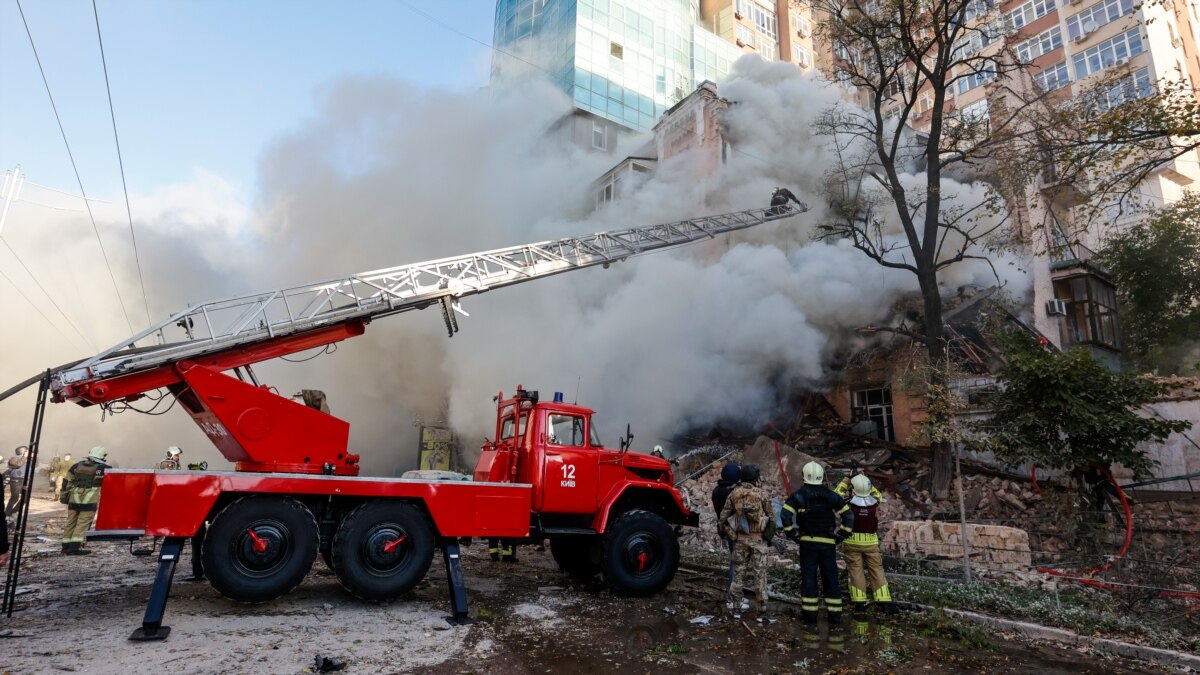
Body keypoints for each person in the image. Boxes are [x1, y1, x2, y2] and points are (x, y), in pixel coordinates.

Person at [782, 461, 854, 624]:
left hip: (807, 543)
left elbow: (785, 515)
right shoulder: (831, 496)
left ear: (804, 477)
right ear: (821, 477)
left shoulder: (799, 495)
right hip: (828, 544)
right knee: (831, 578)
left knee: (809, 578)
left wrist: (792, 534)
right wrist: (842, 535)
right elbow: (848, 516)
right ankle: (835, 616)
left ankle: (810, 616)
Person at [718, 463, 775, 616]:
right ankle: (762, 613)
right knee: (760, 577)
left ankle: (736, 608)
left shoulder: (734, 494)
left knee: (738, 575)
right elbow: (772, 519)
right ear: (755, 478)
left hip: (741, 541)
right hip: (758, 542)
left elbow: (722, 520)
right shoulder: (762, 494)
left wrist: (733, 536)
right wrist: (767, 538)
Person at [841, 473, 897, 614]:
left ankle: (860, 603)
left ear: (853, 489)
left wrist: (847, 480)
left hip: (852, 542)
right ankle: (884, 601)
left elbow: (836, 495)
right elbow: (875, 492)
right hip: (871, 543)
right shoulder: (874, 502)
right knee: (877, 570)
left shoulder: (848, 504)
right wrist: (864, 479)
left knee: (856, 571)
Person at [61, 446, 110, 555]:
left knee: (70, 522)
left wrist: (64, 497)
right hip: (89, 501)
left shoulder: (75, 466)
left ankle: (65, 547)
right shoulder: (104, 469)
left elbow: (66, 482)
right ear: (103, 456)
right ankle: (74, 548)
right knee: (82, 524)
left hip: (74, 499)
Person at [5, 446, 30, 520]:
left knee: (25, 498)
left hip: (24, 480)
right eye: (27, 451)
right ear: (23, 452)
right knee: (14, 498)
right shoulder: (13, 458)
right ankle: (7, 514)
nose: (29, 452)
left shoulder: (26, 459)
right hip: (16, 481)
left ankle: (14, 511)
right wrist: (24, 457)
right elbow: (18, 465)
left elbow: (35, 465)